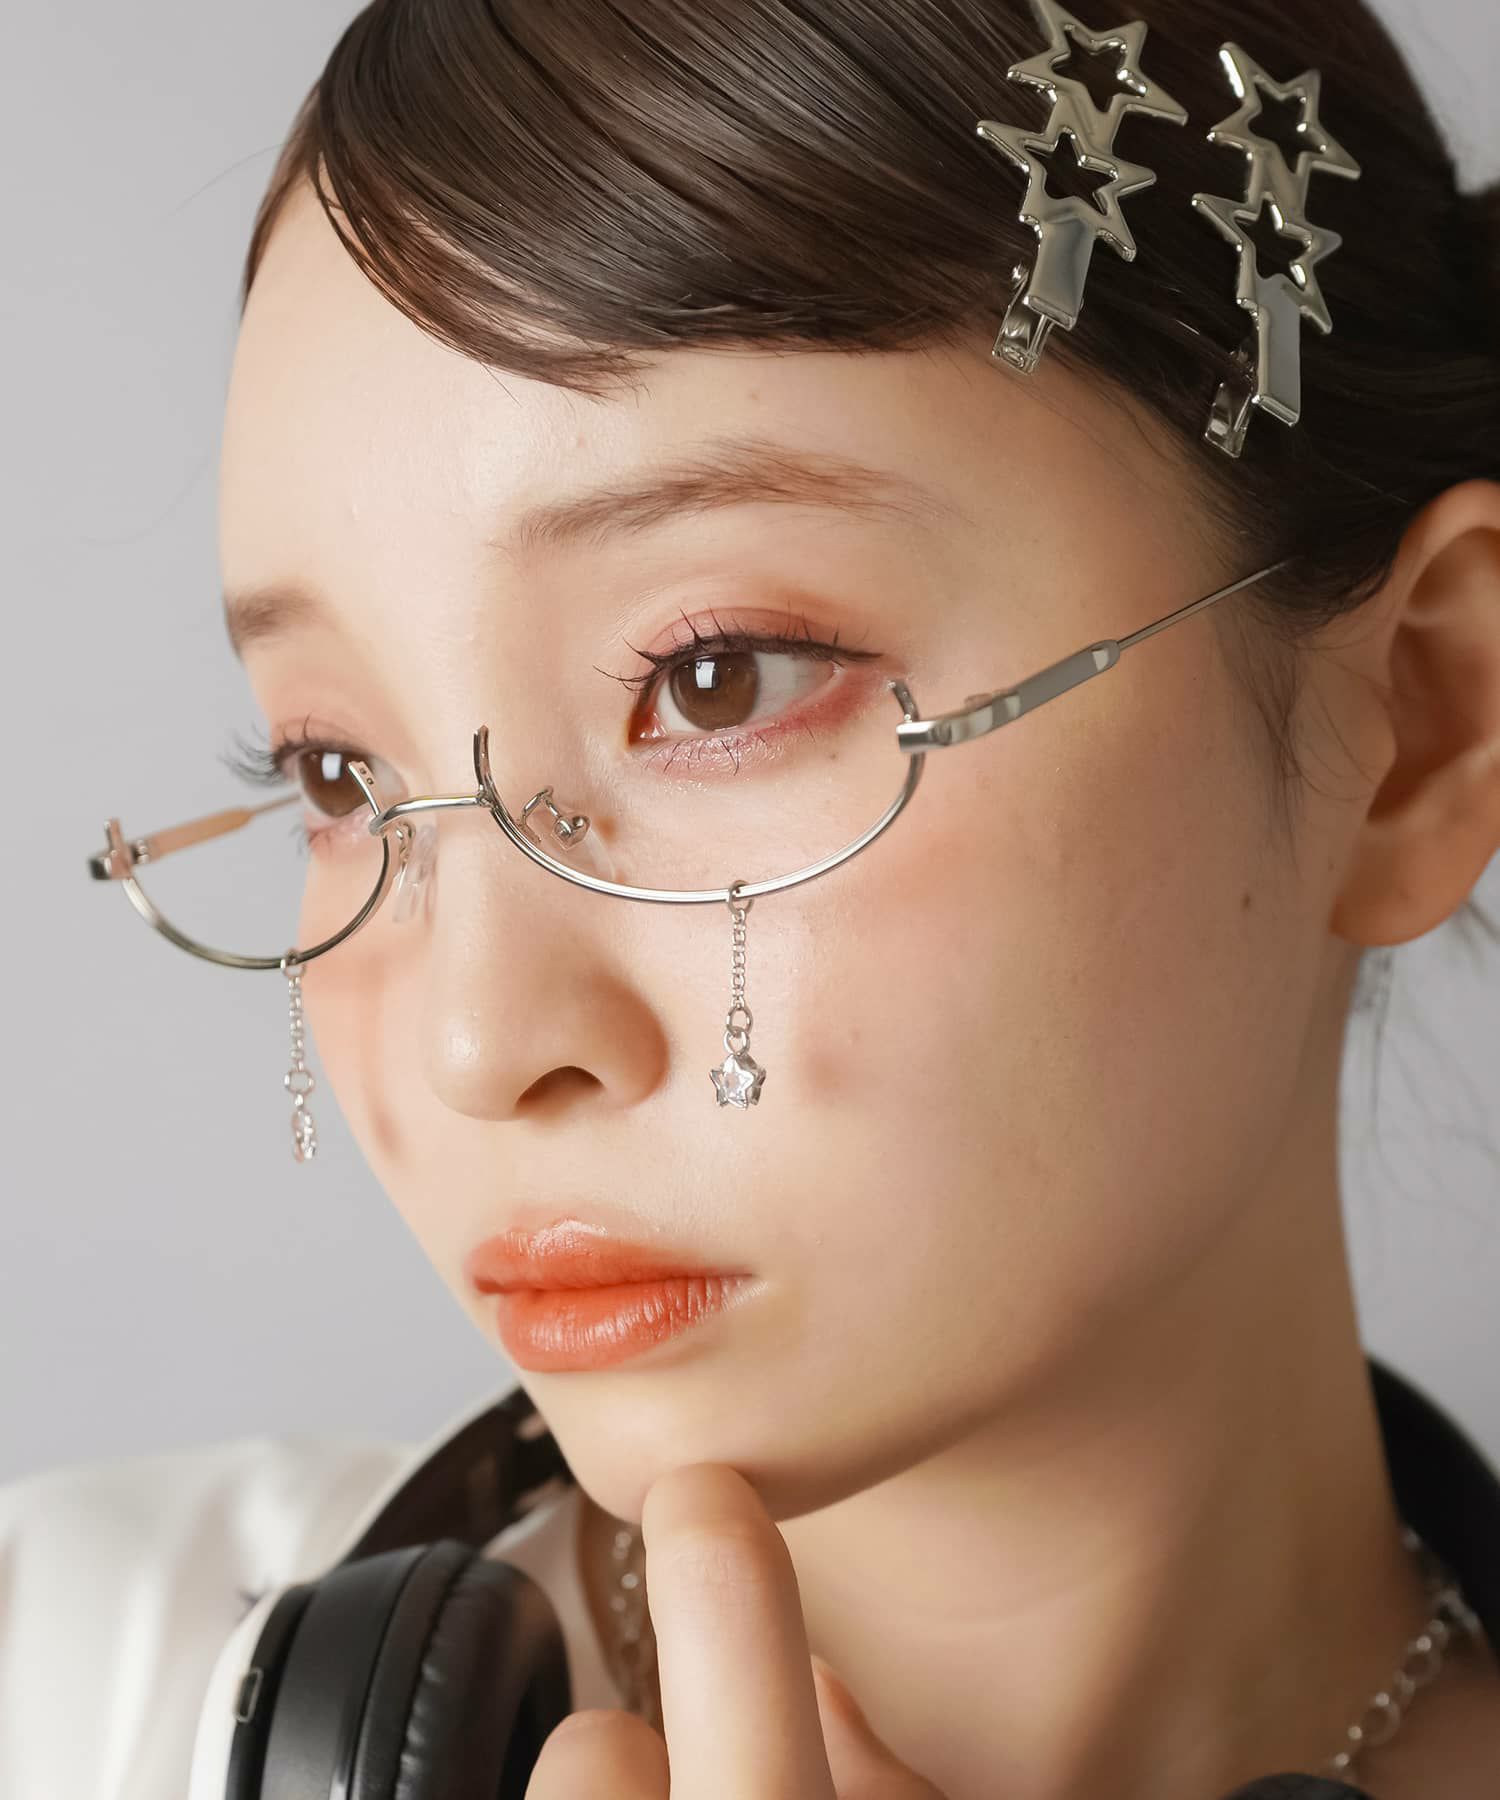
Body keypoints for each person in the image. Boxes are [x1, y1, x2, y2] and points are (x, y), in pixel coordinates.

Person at [9, 0, 1500, 1795]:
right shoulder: (60, 1691)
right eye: (336, 774)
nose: (481, 1042)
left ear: (1417, 724)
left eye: (717, 680)